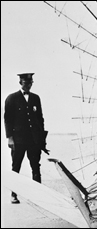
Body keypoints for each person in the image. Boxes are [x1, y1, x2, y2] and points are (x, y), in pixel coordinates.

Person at [4, 73, 47, 204]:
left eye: (30, 83)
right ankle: (14, 194)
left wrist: (42, 140)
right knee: (16, 166)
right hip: (18, 140)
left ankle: (39, 195)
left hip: (34, 140)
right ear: (20, 83)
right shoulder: (11, 98)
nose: (28, 85)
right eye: (26, 83)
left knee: (35, 166)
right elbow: (8, 120)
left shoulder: (35, 98)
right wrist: (10, 138)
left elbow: (40, 119)